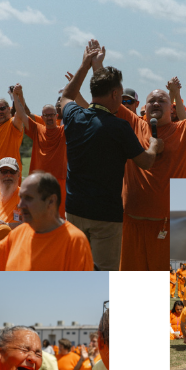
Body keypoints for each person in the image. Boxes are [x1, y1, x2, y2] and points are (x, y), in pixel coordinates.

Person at [60, 39, 162, 271]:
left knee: (75, 269)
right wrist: (154, 146)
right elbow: (146, 162)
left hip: (74, 210)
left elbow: (67, 95)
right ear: (115, 94)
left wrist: (85, 65)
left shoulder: (74, 116)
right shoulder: (119, 127)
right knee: (103, 276)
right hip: (106, 217)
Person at [116, 60, 186, 271]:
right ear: (143, 107)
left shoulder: (185, 130)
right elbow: (110, 100)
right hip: (131, 221)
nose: (156, 103)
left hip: (167, 225)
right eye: (151, 101)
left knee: (159, 285)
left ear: (171, 107)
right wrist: (95, 66)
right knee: (129, 285)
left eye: (161, 100)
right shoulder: (133, 124)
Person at [26, 104, 67, 218]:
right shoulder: (37, 129)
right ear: (42, 117)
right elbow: (23, 115)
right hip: (40, 181)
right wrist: (17, 96)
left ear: (56, 116)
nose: (49, 117)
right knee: (39, 215)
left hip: (60, 179)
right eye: (46, 115)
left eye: (52, 115)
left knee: (60, 216)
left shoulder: (64, 130)